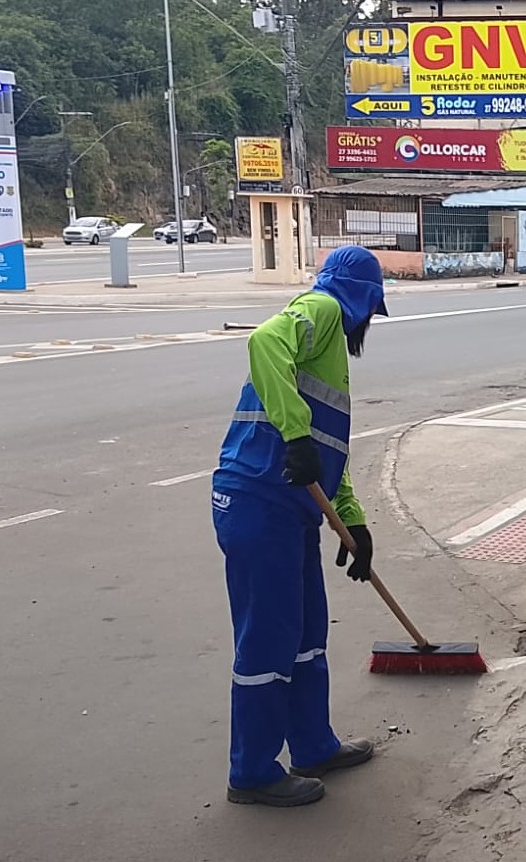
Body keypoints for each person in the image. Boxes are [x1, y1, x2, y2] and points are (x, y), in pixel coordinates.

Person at [209, 245, 389, 807]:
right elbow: (263, 341)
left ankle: (313, 745)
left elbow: (328, 449)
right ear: (363, 300)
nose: (369, 323)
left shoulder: (329, 350)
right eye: (372, 310)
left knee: (307, 635)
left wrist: (353, 522)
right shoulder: (324, 309)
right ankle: (252, 772)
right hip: (257, 500)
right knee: (269, 641)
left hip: (293, 508)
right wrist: (294, 436)